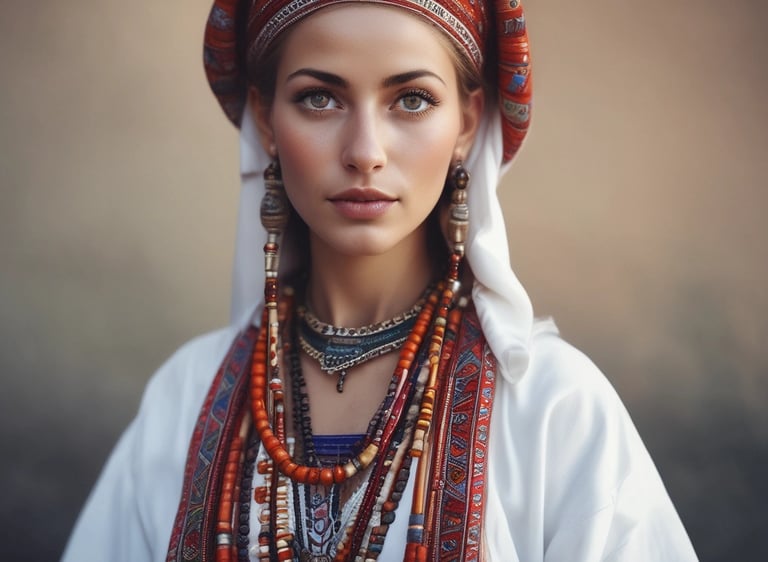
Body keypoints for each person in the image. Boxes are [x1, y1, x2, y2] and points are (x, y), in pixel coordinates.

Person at [62, 0, 699, 560]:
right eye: (320, 97)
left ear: (469, 122)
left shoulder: (554, 410)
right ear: (264, 118)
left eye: (412, 99)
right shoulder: (185, 399)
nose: (365, 149)